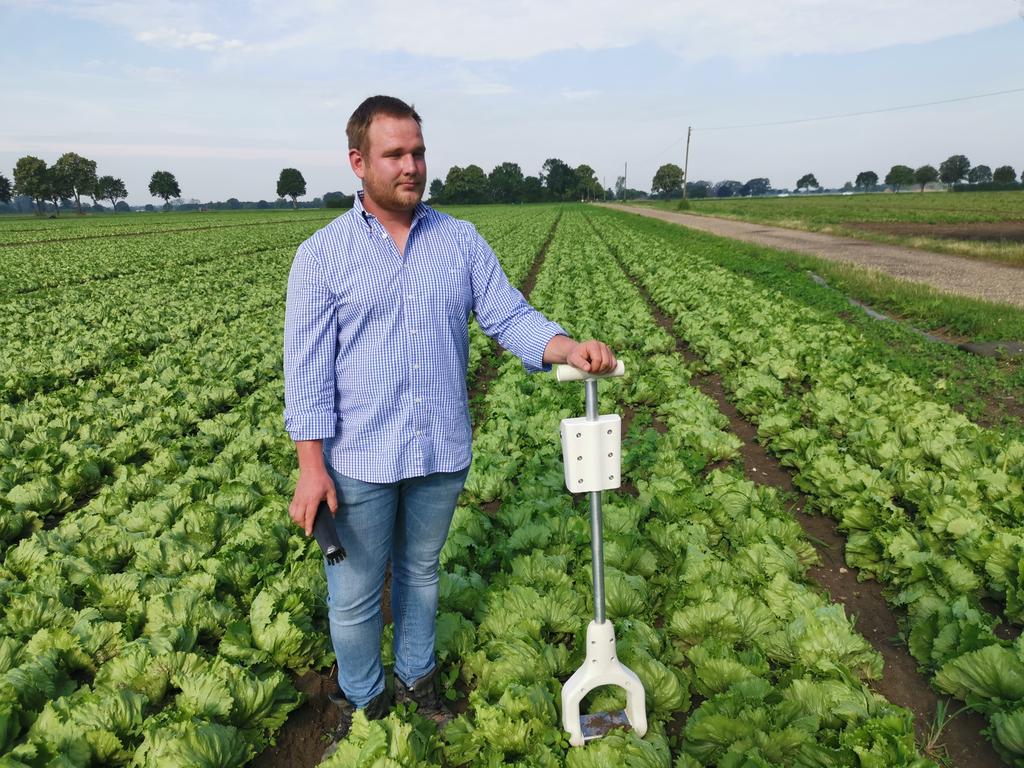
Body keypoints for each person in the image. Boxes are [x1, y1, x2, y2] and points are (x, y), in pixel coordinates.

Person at [283, 95, 616, 746]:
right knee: (353, 596)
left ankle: (415, 677)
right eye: (395, 154)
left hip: (440, 449)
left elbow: (509, 316)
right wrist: (310, 466)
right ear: (359, 162)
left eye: (418, 151)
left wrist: (567, 347)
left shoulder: (459, 241)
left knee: (421, 574)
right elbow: (307, 370)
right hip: (359, 461)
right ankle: (362, 697)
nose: (411, 165)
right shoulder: (321, 257)